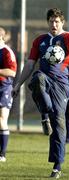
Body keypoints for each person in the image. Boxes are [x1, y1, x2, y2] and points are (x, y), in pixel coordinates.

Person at [12, 8, 69, 179]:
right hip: (44, 80)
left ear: (62, 22)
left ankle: (57, 166)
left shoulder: (68, 38)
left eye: (57, 21)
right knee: (38, 78)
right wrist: (18, 84)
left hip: (62, 86)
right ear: (47, 22)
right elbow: (30, 64)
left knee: (59, 125)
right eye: (51, 21)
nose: (54, 24)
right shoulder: (40, 40)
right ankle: (45, 113)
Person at [0, 27, 17, 162]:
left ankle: (2, 154)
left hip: (3, 88)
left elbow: (12, 72)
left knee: (1, 119)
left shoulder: (6, 52)